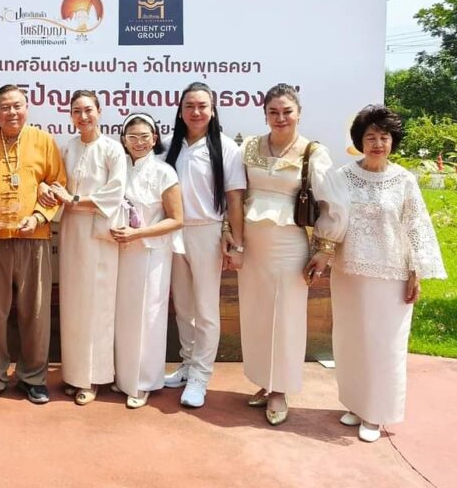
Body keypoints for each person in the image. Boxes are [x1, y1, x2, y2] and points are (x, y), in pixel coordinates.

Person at [332, 105, 446, 442]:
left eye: (384, 137)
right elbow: (331, 220)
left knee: (385, 345)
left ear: (393, 140)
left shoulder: (404, 180)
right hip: (348, 273)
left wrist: (415, 272)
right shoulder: (342, 176)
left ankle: (377, 414)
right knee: (351, 341)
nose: (378, 143)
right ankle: (356, 404)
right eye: (371, 137)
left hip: (391, 275)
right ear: (360, 141)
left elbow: (416, 228)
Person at [238, 83, 346, 426]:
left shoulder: (313, 152)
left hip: (288, 247)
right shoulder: (249, 147)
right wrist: (230, 234)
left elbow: (334, 204)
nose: (280, 118)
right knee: (256, 315)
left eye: (287, 111)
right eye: (273, 112)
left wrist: (325, 249)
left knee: (285, 317)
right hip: (252, 246)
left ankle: (280, 389)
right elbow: (235, 194)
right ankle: (264, 380)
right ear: (264, 114)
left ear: (299, 114)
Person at [0, 84, 66, 404]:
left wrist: (38, 216)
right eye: (5, 107)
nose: (12, 112)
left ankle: (33, 377)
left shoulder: (43, 141)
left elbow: (58, 183)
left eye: (17, 106)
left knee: (35, 312)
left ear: (27, 108)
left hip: (33, 237)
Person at [163, 82, 247, 408]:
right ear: (180, 111)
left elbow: (235, 199)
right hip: (174, 232)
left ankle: (200, 376)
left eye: (202, 106)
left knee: (206, 310)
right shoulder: (171, 146)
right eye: (190, 106)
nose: (196, 112)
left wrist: (236, 243)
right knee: (183, 306)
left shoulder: (225, 148)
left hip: (207, 233)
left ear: (212, 111)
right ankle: (187, 363)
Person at [44, 90, 126, 406]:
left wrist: (75, 200)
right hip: (71, 232)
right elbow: (57, 183)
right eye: (77, 111)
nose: (83, 116)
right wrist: (50, 191)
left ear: (99, 111)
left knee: (97, 304)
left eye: (88, 110)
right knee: (74, 304)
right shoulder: (68, 147)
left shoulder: (112, 149)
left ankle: (94, 377)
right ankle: (75, 374)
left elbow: (115, 192)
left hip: (99, 233)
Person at [113, 113, 184, 409]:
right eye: (133, 137)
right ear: (123, 140)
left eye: (144, 137)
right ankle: (124, 377)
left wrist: (139, 233)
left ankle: (144, 382)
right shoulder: (119, 169)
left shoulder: (164, 172)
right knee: (125, 316)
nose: (139, 142)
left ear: (154, 139)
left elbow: (177, 219)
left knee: (149, 317)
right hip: (122, 251)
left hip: (152, 253)